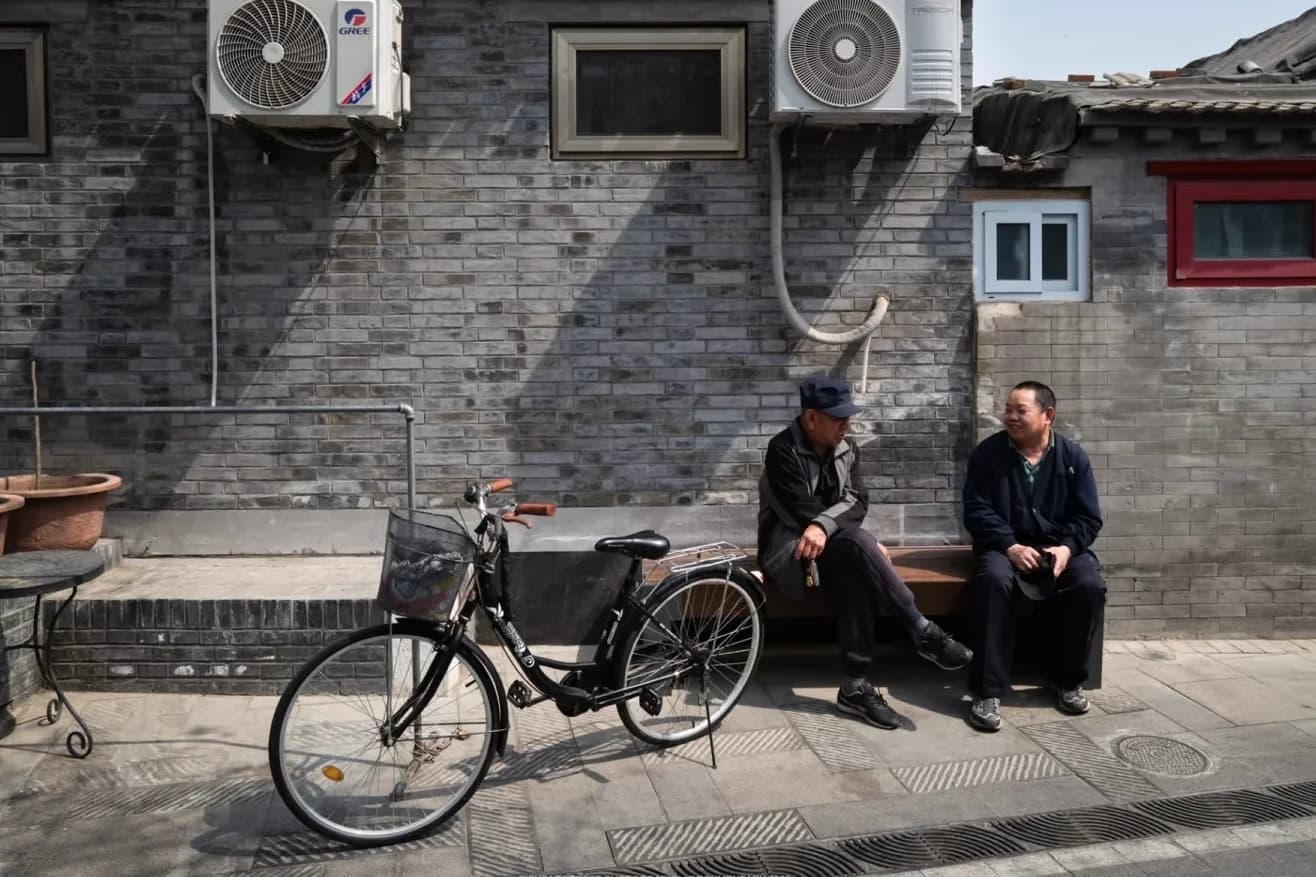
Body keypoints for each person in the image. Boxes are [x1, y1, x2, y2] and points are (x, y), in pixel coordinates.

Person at [758, 377, 973, 729]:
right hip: (788, 550)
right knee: (858, 546)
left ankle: (855, 687)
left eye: (848, 416)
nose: (847, 424)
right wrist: (854, 535)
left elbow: (859, 501)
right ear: (811, 418)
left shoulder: (849, 448)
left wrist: (840, 531)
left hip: (836, 549)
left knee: (855, 563)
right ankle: (921, 630)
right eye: (838, 417)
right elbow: (800, 509)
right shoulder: (782, 450)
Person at [962, 380, 1106, 733]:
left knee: (1088, 584)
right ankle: (987, 691)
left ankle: (1067, 680)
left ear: (1047, 415)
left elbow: (1089, 517)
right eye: (1008, 409)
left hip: (1057, 546)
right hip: (1003, 546)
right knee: (994, 581)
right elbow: (976, 510)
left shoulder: (1073, 458)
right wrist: (1009, 545)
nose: (1010, 417)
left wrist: (1067, 548)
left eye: (1019, 410)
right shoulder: (987, 455)